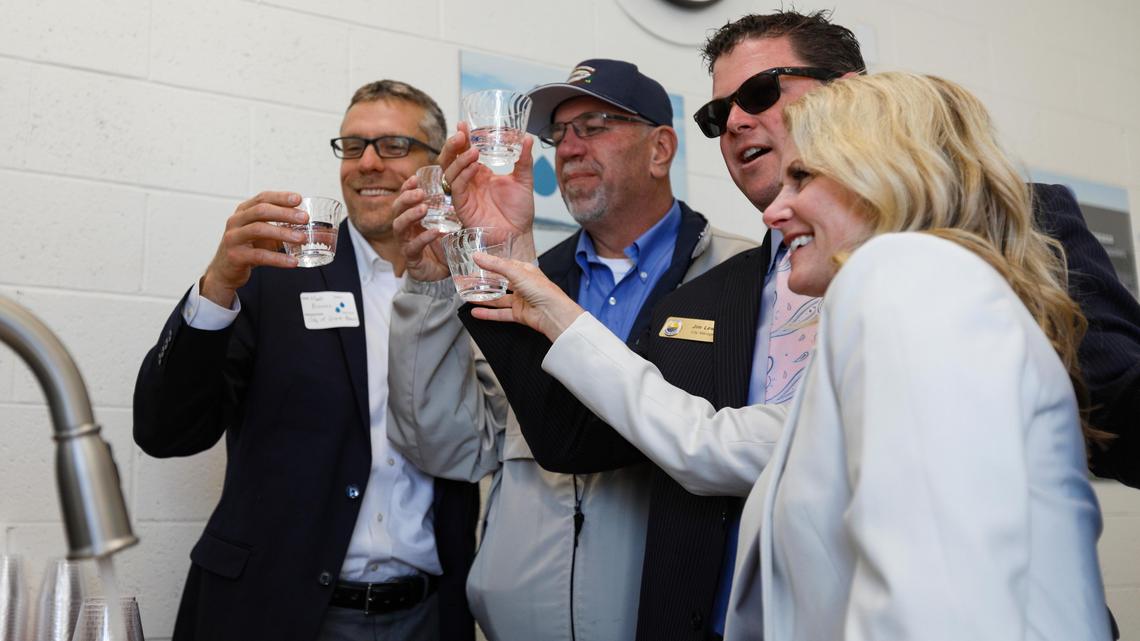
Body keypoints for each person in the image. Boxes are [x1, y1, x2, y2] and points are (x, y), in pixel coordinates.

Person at [468, 71, 1113, 641]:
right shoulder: (913, 301)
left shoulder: (912, 277)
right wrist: (542, 298)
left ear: (888, 176)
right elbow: (702, 439)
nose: (777, 208)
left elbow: (935, 603)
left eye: (803, 176)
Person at [385, 59, 755, 640]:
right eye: (560, 134)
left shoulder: (739, 275)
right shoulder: (523, 278)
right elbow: (449, 447)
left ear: (661, 149)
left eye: (596, 126)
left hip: (663, 620)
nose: (570, 148)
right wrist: (431, 284)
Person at [132, 81, 478, 641]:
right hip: (274, 610)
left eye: (392, 145)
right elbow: (166, 431)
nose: (367, 163)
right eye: (352, 145)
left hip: (429, 615)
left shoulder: (473, 283)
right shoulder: (273, 274)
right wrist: (217, 284)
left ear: (436, 165)